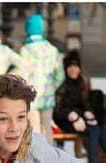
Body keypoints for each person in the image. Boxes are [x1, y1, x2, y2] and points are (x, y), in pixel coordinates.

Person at [19, 14, 63, 143]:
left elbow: (22, 75)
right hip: (48, 95)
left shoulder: (25, 50)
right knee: (47, 128)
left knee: (34, 129)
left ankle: (36, 159)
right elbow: (60, 75)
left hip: (31, 96)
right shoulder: (52, 50)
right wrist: (52, 87)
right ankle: (49, 159)